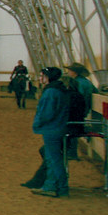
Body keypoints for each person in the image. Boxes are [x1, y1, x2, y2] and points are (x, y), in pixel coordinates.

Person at [29, 66, 71, 198]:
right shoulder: (59, 90)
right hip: (58, 127)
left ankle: (61, 187)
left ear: (48, 78)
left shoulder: (51, 92)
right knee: (52, 159)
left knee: (54, 160)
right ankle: (51, 185)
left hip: (52, 129)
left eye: (42, 76)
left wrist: (37, 123)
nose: (40, 78)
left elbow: (46, 113)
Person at [64, 62, 96, 160]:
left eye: (70, 70)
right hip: (85, 109)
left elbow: (77, 98)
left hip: (79, 110)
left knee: (71, 127)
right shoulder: (87, 81)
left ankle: (72, 152)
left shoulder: (77, 83)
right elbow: (95, 92)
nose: (68, 72)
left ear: (75, 72)